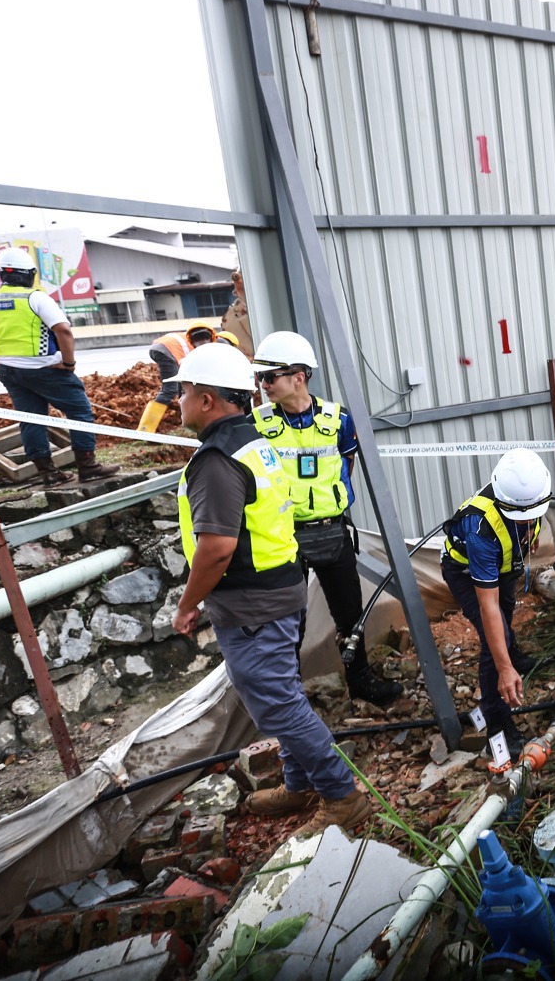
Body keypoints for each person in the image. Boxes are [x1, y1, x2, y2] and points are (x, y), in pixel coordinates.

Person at [169, 342, 374, 836]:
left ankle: (341, 793)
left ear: (207, 400)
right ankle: (300, 780)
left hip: (253, 600)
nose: (176, 401)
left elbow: (216, 548)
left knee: (277, 701)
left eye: (183, 391)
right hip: (274, 588)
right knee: (283, 692)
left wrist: (187, 603)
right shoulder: (253, 441)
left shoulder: (219, 459)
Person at [251, 330, 402, 707]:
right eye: (261, 378)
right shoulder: (258, 425)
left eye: (270, 377)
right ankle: (290, 700)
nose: (263, 384)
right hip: (285, 538)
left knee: (350, 616)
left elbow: (344, 470)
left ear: (298, 377)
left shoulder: (339, 421)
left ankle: (361, 681)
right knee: (289, 623)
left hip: (332, 533)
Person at [0, 248, 119, 484]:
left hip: (10, 371)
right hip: (45, 369)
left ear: (3, 275)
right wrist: (69, 362)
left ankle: (48, 473)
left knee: (32, 419)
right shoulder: (35, 298)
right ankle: (87, 466)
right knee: (79, 412)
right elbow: (63, 330)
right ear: (29, 274)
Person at [441, 448, 555, 754]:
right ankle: (497, 723)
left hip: (505, 564)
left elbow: (528, 523)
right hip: (465, 572)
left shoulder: (530, 494)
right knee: (495, 638)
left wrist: (529, 536)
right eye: (524, 518)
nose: (530, 521)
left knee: (506, 618)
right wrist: (503, 669)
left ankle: (513, 657)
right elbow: (486, 606)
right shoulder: (480, 529)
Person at [138, 320, 219, 432]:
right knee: (170, 390)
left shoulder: (192, 339)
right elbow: (187, 369)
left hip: (160, 347)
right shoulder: (196, 349)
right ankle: (145, 429)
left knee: (178, 387)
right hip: (166, 350)